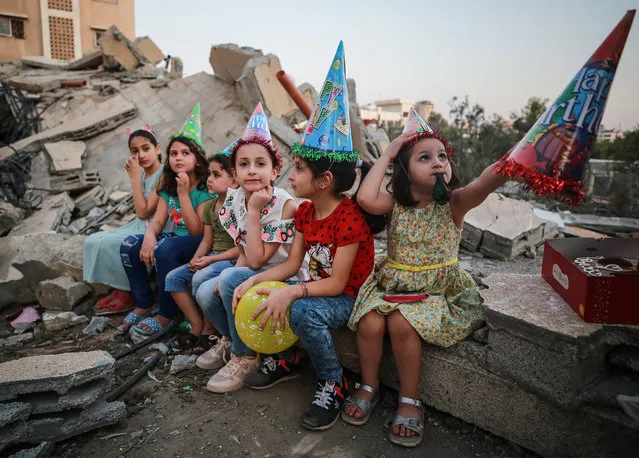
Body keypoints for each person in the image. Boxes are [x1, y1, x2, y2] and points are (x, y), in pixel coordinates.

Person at [232, 41, 384, 431]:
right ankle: (287, 356)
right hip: (316, 287)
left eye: (297, 169)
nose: (290, 176)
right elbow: (293, 264)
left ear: (324, 180)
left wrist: (292, 290)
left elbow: (336, 283)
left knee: (298, 307)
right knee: (262, 292)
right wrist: (251, 281)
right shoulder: (304, 212)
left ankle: (333, 382)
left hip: (348, 296)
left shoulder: (349, 220)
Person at [343, 107, 507, 447]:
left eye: (442, 156)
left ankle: (409, 398)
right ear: (403, 169)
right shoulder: (395, 205)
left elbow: (485, 183)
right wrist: (390, 151)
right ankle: (369, 386)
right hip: (392, 285)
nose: (438, 162)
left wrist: (512, 164)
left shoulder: (454, 204)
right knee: (370, 322)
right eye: (425, 157)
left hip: (435, 290)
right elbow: (364, 198)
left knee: (402, 323)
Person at [195, 103, 308, 392]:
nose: (252, 171)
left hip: (287, 276)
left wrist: (256, 212)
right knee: (207, 291)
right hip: (258, 270)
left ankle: (246, 357)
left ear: (274, 171)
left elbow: (258, 261)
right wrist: (229, 276)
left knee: (230, 278)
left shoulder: (282, 204)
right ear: (234, 172)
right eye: (244, 164)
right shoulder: (235, 199)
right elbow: (243, 252)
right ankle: (233, 339)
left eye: (261, 164)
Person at [118, 104, 215, 337]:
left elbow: (196, 231)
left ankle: (166, 313)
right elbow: (158, 221)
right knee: (130, 245)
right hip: (173, 239)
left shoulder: (204, 189)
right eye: (173, 154)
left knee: (165, 248)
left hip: (198, 241)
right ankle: (144, 303)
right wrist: (150, 236)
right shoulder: (169, 187)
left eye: (185, 153)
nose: (178, 158)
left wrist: (184, 195)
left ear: (198, 159)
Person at [164, 146, 240, 353]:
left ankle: (210, 329)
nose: (209, 180)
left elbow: (242, 249)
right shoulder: (210, 207)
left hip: (230, 259)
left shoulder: (238, 207)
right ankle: (196, 326)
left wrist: (209, 262)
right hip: (213, 256)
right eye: (209, 175)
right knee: (173, 279)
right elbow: (207, 240)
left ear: (234, 180)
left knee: (200, 277)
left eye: (216, 175)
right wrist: (196, 259)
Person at [84, 126, 166, 316]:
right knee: (92, 240)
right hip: (138, 224)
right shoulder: (143, 173)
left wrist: (135, 179)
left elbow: (144, 212)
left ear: (158, 149)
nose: (141, 155)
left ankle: (126, 291)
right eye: (135, 151)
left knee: (109, 243)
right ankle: (118, 287)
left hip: (153, 225)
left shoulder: (163, 175)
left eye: (146, 148)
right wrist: (138, 177)